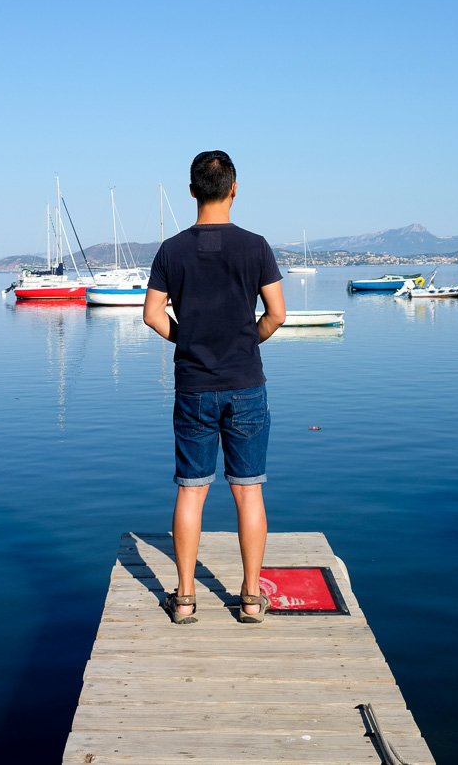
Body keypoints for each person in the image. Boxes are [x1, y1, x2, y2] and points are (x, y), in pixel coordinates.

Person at [143, 151, 286, 625]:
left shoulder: (171, 250)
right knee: (248, 492)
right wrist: (248, 338)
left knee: (191, 491)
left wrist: (190, 339)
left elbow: (152, 315)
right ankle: (249, 598)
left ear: (191, 192)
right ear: (234, 188)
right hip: (246, 383)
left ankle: (184, 600)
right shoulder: (256, 246)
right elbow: (277, 315)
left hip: (194, 388)